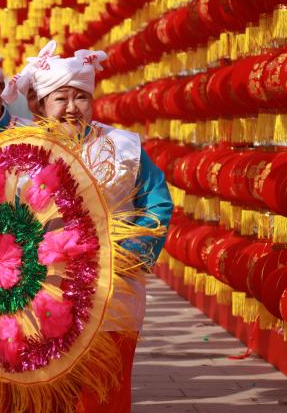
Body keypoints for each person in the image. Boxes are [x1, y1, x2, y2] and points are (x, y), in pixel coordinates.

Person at [21, 41, 173, 412]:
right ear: (40, 105)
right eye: (60, 98)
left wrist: (130, 252)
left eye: (81, 97)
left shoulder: (124, 146)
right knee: (49, 388)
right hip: (42, 290)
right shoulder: (19, 150)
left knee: (106, 387)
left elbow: (157, 202)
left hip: (113, 286)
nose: (72, 108)